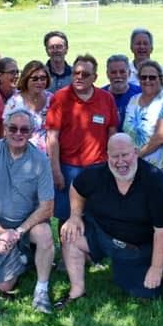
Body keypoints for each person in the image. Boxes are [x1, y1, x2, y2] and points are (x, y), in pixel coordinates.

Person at [57, 134, 163, 304]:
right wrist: (74, 216)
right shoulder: (96, 174)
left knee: (147, 293)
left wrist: (156, 268)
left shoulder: (154, 180)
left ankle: (125, 267)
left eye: (125, 155)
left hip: (138, 246)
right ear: (107, 156)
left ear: (135, 152)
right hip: (102, 234)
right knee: (70, 234)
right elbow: (76, 187)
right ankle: (77, 291)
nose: (120, 162)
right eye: (115, 156)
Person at [0, 107, 55, 312]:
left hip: (26, 226)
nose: (18, 134)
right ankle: (25, 258)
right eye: (13, 128)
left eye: (24, 130)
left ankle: (42, 291)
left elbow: (47, 208)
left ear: (31, 133)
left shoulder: (40, 160)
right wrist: (1, 232)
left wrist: (17, 233)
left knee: (44, 233)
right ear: (5, 129)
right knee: (5, 285)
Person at [45, 54, 119, 221]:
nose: (79, 77)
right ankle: (67, 247)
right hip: (68, 168)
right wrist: (56, 171)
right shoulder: (60, 98)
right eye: (75, 73)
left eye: (85, 74)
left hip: (98, 167)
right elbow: (52, 137)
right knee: (67, 216)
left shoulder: (106, 98)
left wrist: (112, 165)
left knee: (96, 216)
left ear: (95, 77)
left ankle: (92, 247)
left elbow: (112, 133)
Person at [123, 59, 163, 171]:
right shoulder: (133, 100)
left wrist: (139, 155)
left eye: (152, 77)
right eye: (143, 77)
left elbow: (162, 137)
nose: (147, 80)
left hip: (157, 166)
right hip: (132, 163)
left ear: (160, 79)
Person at [6, 60, 53, 154]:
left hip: (46, 156)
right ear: (26, 79)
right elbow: (6, 131)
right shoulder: (15, 101)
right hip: (21, 153)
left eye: (43, 78)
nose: (39, 82)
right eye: (35, 78)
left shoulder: (52, 99)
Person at [127, 27, 163, 95]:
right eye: (138, 43)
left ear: (151, 48)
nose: (142, 47)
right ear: (131, 47)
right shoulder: (124, 73)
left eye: (145, 44)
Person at [102, 54, 141, 130]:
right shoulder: (99, 96)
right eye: (113, 72)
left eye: (122, 72)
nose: (118, 76)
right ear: (107, 74)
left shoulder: (140, 94)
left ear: (129, 73)